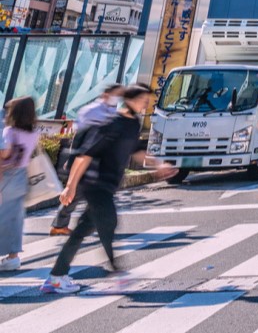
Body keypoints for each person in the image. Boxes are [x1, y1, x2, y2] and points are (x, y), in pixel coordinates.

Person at [45, 85, 175, 295]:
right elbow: (85, 155)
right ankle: (116, 273)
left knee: (82, 231)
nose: (146, 104)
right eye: (144, 99)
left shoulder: (133, 123)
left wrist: (160, 166)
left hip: (106, 185)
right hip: (95, 184)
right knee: (108, 223)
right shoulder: (113, 124)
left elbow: (135, 150)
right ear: (131, 99)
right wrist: (70, 186)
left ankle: (56, 276)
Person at [51, 84, 123, 236]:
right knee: (78, 192)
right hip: (86, 156)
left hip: (101, 158)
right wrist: (72, 159)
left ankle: (69, 224)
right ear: (106, 94)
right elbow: (79, 136)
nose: (117, 98)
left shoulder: (111, 111)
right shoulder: (91, 111)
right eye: (116, 94)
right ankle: (60, 224)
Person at [1, 97, 41, 271]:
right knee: (15, 218)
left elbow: (4, 154)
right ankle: (13, 257)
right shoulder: (33, 133)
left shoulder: (9, 131)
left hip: (6, 177)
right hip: (21, 178)